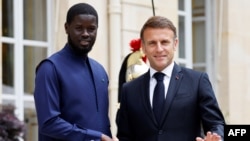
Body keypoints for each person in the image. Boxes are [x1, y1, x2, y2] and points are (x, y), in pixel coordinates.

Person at [116, 16, 225, 141]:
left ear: (175, 44)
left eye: (164, 42)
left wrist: (217, 138)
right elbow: (125, 136)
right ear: (143, 47)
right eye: (152, 43)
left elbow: (216, 123)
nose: (159, 49)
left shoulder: (198, 81)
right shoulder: (129, 90)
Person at [34, 3, 113, 141]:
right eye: (78, 28)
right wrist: (95, 137)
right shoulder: (49, 68)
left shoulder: (100, 72)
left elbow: (103, 125)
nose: (85, 34)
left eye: (91, 29)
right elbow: (49, 123)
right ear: (66, 28)